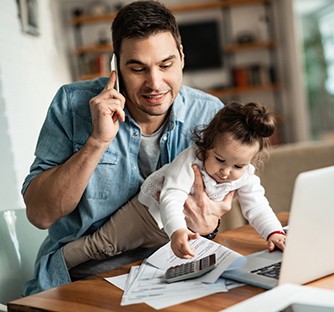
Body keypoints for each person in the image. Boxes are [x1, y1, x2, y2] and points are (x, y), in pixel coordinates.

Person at [21, 0, 233, 296]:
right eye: (137, 68)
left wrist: (209, 222)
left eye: (166, 65)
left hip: (174, 271)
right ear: (116, 67)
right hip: (84, 277)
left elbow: (217, 207)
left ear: (182, 56)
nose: (155, 83)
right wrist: (97, 141)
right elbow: (39, 214)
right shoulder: (72, 105)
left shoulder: (210, 114)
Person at [63, 101, 286, 268]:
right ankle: (59, 262)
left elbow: (257, 206)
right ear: (207, 145)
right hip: (145, 215)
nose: (226, 172)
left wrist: (273, 233)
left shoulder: (245, 175)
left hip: (174, 232)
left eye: (238, 166)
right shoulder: (190, 161)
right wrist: (178, 230)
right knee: (101, 246)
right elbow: (171, 196)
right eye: (220, 160)